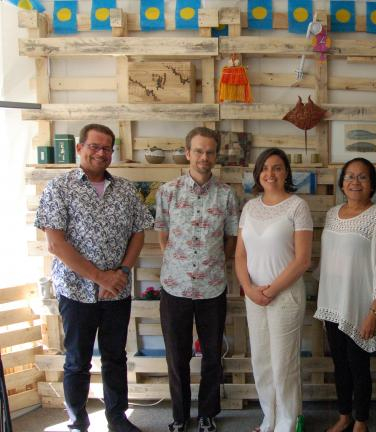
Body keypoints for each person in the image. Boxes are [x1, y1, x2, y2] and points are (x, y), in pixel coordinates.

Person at [34, 124, 153, 432]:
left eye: (107, 148)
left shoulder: (126, 190)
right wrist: (101, 277)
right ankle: (77, 422)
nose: (101, 153)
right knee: (77, 360)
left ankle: (117, 418)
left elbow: (139, 233)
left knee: (115, 357)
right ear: (80, 148)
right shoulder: (58, 188)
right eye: (95, 147)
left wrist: (122, 273)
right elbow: (55, 244)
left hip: (117, 291)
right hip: (76, 292)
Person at [155, 127, 239, 432]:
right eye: (199, 151)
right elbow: (163, 238)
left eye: (210, 152)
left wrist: (212, 264)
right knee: (176, 356)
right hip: (174, 288)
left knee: (212, 356)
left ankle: (207, 413)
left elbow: (231, 240)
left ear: (215, 156)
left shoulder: (227, 194)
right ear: (188, 152)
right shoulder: (168, 192)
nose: (205, 157)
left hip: (212, 287)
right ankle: (179, 415)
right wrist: (180, 268)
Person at [316, 158, 376, 432]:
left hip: (361, 306)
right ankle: (344, 416)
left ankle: (361, 420)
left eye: (362, 177)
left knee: (358, 366)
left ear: (372, 184)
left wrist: (375, 311)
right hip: (333, 303)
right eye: (349, 176)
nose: (355, 182)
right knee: (340, 364)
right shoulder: (332, 213)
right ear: (342, 183)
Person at [234, 148, 313, 432]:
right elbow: (240, 255)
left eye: (277, 167)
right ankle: (269, 417)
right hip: (254, 296)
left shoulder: (297, 207)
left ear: (287, 172)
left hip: (286, 296)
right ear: (258, 174)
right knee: (262, 361)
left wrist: (270, 291)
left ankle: (288, 422)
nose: (271, 173)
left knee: (284, 363)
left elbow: (302, 260)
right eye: (265, 168)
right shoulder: (250, 207)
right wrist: (250, 289)